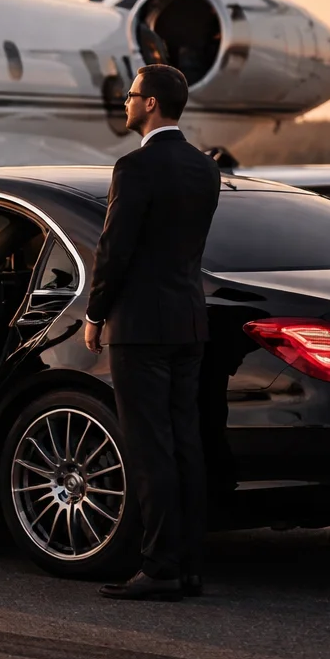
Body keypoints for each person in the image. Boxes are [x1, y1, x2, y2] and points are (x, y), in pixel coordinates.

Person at [83, 63, 221, 602]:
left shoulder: (135, 168)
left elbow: (115, 249)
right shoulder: (203, 168)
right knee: (186, 443)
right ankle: (189, 566)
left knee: (149, 448)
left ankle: (159, 568)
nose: (125, 101)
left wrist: (96, 314)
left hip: (140, 326)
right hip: (188, 320)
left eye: (132, 95)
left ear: (153, 105)